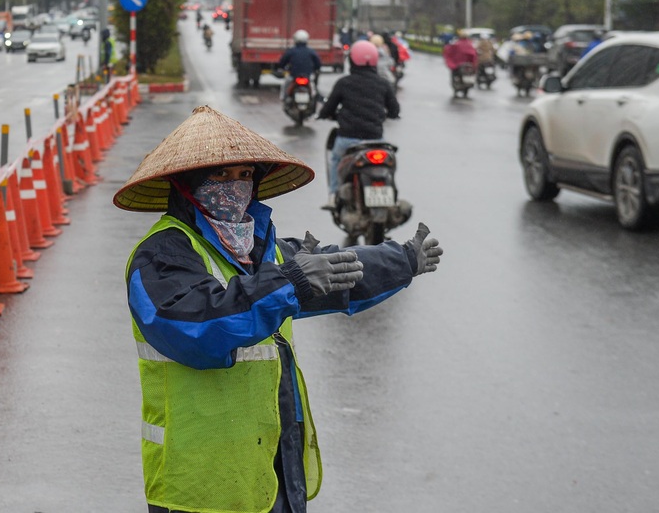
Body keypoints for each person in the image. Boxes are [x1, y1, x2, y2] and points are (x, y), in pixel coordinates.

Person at [114, 105, 443, 513]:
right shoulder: (162, 255)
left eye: (245, 175)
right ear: (186, 184)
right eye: (220, 175)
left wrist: (403, 260)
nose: (235, 186)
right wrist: (291, 281)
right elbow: (197, 329)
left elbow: (338, 273)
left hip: (272, 475)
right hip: (201, 487)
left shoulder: (261, 250)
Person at [317, 40, 400, 205]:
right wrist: (390, 114)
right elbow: (394, 110)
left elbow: (329, 107)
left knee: (335, 160)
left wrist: (324, 114)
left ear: (352, 60)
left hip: (348, 139)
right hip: (376, 140)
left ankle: (333, 196)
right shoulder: (383, 83)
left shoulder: (344, 83)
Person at [276, 29, 322, 99]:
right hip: (307, 76)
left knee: (285, 86)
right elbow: (318, 62)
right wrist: (316, 69)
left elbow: (283, 61)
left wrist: (281, 67)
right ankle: (313, 99)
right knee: (313, 90)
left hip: (293, 76)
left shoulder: (291, 51)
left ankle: (284, 98)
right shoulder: (311, 51)